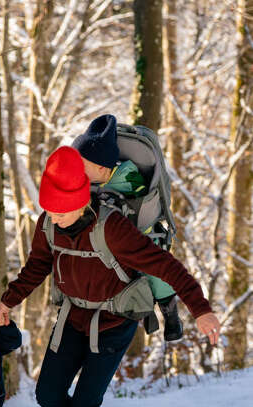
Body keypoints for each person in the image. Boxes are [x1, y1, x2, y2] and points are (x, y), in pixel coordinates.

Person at [0, 146, 220, 407]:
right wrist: (9, 300)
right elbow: (37, 266)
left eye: (60, 212)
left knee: (86, 405)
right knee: (48, 395)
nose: (53, 218)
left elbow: (165, 266)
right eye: (50, 211)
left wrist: (201, 309)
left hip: (114, 321)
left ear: (80, 200)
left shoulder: (112, 229)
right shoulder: (48, 225)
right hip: (73, 317)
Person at [73, 114, 183, 341]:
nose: (79, 170)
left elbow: (135, 201)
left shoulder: (128, 176)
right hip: (99, 232)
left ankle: (169, 310)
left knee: (154, 262)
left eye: (85, 166)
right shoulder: (89, 179)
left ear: (104, 168)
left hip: (135, 227)